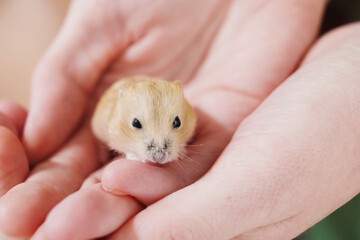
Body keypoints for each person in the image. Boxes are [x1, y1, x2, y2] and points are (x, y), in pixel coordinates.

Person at [0, 0, 360, 239]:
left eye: (174, 126)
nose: (159, 149)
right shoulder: (115, 110)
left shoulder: (183, 107)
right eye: (139, 127)